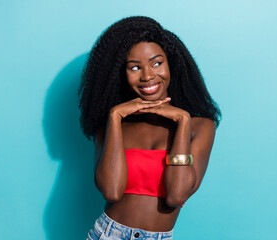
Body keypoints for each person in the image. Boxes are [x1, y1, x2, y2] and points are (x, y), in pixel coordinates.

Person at [78, 16, 221, 240]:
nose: (147, 76)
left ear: (171, 64)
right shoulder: (112, 126)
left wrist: (182, 122)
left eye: (157, 63)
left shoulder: (200, 126)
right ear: (121, 74)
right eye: (135, 67)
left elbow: (176, 195)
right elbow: (112, 191)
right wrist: (114, 117)